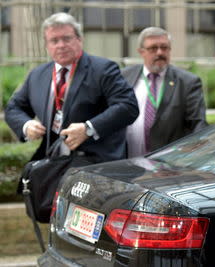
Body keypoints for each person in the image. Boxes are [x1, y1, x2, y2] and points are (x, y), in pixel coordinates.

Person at [5, 12, 139, 163]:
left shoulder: (103, 69)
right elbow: (13, 108)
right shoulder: (37, 75)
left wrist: (88, 129)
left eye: (66, 38)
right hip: (52, 161)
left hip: (94, 163)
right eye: (54, 40)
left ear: (80, 39)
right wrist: (26, 125)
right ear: (47, 46)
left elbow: (128, 106)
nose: (61, 45)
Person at [122, 27, 208, 157]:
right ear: (141, 52)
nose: (159, 52)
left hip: (168, 166)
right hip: (126, 161)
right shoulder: (124, 76)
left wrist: (190, 155)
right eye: (153, 48)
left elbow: (198, 123)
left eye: (164, 47)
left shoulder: (188, 82)